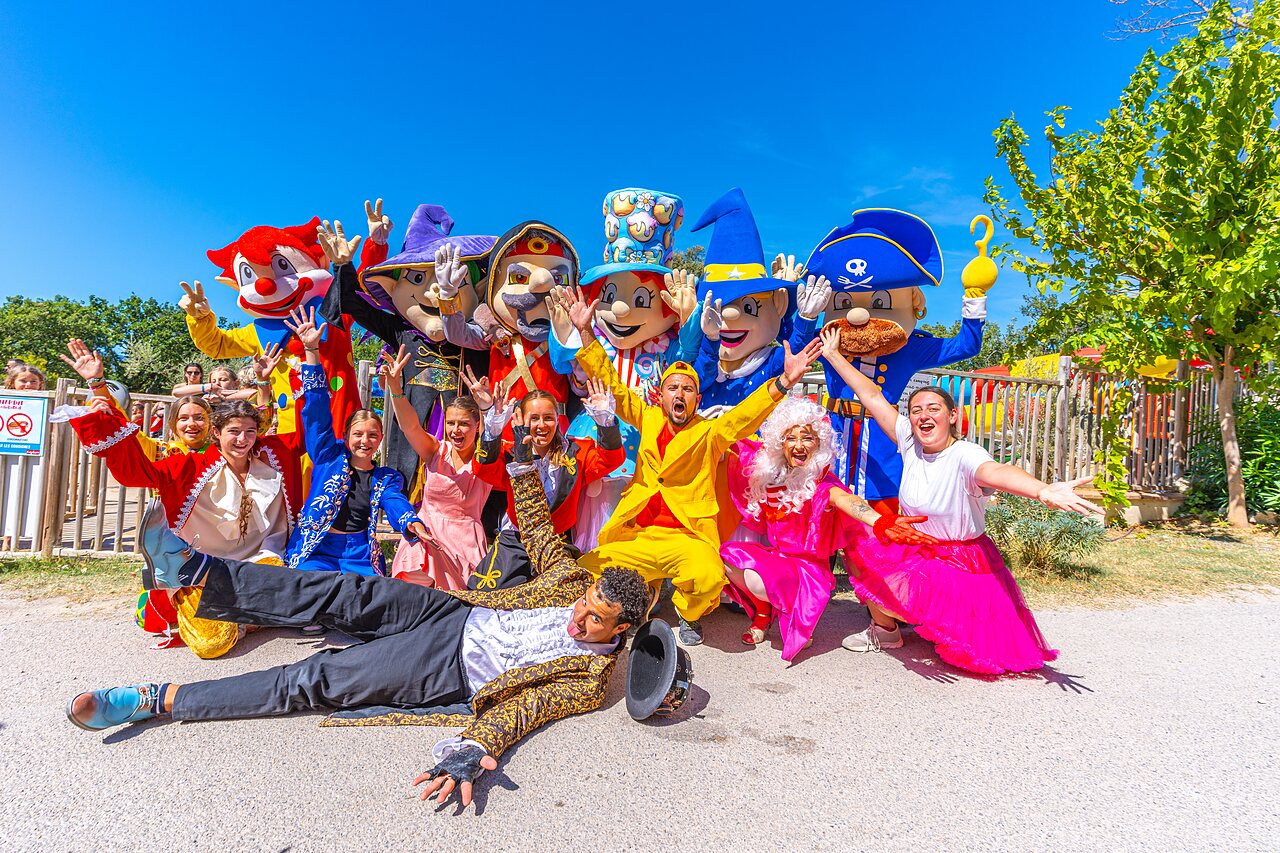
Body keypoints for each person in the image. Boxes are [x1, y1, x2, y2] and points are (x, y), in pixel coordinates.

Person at [65, 421, 651, 814]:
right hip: (454, 612)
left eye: (594, 621)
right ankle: (199, 574)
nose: (578, 618)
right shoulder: (576, 581)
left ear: (619, 631)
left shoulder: (588, 680)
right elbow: (542, 532)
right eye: (583, 604)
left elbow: (524, 707)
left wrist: (475, 748)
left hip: (447, 666)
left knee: (317, 680)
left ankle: (158, 700)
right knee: (341, 591)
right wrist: (522, 463)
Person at [819, 326, 1100, 674]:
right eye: (916, 409)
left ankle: (940, 620)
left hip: (962, 559)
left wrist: (1041, 489)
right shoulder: (910, 442)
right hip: (918, 548)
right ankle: (886, 631)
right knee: (866, 548)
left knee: (979, 656)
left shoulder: (965, 454)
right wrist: (832, 355)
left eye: (933, 408)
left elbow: (998, 471)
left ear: (952, 416)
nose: (923, 415)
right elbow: (873, 398)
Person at [556, 284, 824, 645]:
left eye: (686, 389)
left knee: (709, 576)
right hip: (640, 533)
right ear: (661, 395)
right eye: (672, 388)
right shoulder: (646, 417)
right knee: (589, 569)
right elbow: (614, 387)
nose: (679, 394)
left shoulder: (709, 432)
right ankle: (644, 599)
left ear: (697, 398)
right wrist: (586, 332)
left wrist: (785, 380)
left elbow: (744, 417)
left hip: (687, 537)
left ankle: (687, 610)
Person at [64, 378, 302, 659]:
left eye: (250, 431)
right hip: (204, 571)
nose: (242, 439)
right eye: (234, 431)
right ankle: (250, 616)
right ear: (217, 432)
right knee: (211, 644)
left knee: (299, 598)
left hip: (261, 561)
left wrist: (308, 359)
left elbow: (313, 430)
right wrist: (99, 391)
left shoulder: (272, 455)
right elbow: (134, 471)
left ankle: (247, 614)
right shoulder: (183, 464)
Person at [722, 395, 900, 660]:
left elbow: (846, 500)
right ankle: (763, 611)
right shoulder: (769, 474)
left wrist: (880, 520)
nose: (798, 445)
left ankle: (793, 610)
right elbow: (727, 441)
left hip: (808, 573)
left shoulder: (821, 482)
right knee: (727, 556)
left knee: (760, 581)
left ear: (819, 443)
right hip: (778, 560)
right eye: (791, 438)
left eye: (807, 438)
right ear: (780, 443)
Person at [281, 307, 429, 576]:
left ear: (381, 439)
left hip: (359, 555)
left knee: (365, 602)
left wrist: (410, 521)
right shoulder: (328, 456)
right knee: (308, 588)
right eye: (358, 434)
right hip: (317, 549)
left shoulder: (387, 478)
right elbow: (316, 411)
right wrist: (312, 352)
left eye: (372, 435)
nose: (365, 441)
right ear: (346, 436)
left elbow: (395, 501)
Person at [467, 370, 624, 591]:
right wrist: (491, 424)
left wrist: (605, 422)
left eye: (548, 418)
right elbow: (483, 468)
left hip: (558, 543)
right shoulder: (511, 454)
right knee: (483, 593)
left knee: (560, 598)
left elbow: (611, 459)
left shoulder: (577, 452)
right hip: (515, 541)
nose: (541, 425)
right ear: (522, 420)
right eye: (534, 418)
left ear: (557, 421)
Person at [379, 345, 491, 590]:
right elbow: (410, 428)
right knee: (414, 593)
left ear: (477, 426)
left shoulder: (486, 456)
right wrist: (397, 390)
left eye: (463, 423)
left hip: (466, 541)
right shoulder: (436, 450)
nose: (455, 430)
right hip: (428, 534)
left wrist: (488, 408)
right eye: (451, 423)